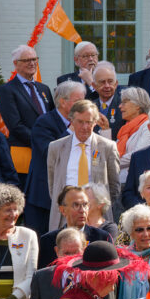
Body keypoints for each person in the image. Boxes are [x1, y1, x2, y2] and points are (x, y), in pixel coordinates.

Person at [46, 99, 121, 232]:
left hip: (96, 217)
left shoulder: (108, 147)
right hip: (64, 217)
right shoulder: (56, 147)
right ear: (71, 121)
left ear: (95, 122)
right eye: (80, 122)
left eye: (89, 122)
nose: (85, 127)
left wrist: (97, 206)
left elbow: (114, 187)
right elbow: (53, 186)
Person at [23, 80, 87, 233]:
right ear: (63, 102)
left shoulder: (84, 124)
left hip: (75, 197)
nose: (84, 105)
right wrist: (71, 131)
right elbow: (49, 154)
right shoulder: (44, 123)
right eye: (79, 101)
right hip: (44, 199)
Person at [0, 45, 54, 167]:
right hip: (24, 151)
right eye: (27, 60)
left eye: (34, 59)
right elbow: (15, 125)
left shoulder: (44, 88)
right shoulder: (7, 90)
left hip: (48, 151)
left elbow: (52, 117)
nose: (32, 63)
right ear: (15, 63)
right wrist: (40, 141)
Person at [37, 186, 115, 269]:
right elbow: (43, 278)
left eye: (85, 205)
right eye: (76, 205)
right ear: (62, 210)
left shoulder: (102, 239)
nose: (82, 210)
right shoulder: (48, 241)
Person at [115, 87, 150, 181]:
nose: (120, 106)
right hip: (119, 181)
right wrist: (105, 129)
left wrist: (111, 162)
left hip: (134, 182)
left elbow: (137, 155)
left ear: (138, 105)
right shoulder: (125, 128)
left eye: (124, 102)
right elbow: (112, 151)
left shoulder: (148, 126)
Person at [88, 62, 126, 140]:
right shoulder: (89, 107)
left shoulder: (124, 107)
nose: (107, 86)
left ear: (116, 84)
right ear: (94, 86)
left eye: (110, 81)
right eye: (102, 82)